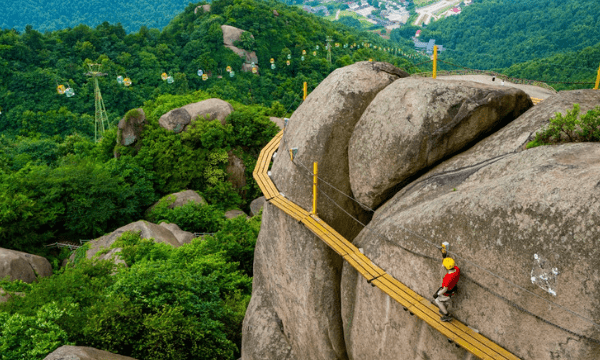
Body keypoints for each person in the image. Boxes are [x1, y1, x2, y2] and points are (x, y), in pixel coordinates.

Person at [433, 247, 460, 322]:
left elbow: (445, 289)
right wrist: (444, 257)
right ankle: (445, 308)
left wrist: (437, 294)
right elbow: (449, 266)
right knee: (445, 299)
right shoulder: (457, 270)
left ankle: (446, 314)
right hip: (453, 288)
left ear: (446, 267)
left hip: (447, 292)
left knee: (438, 300)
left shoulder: (447, 278)